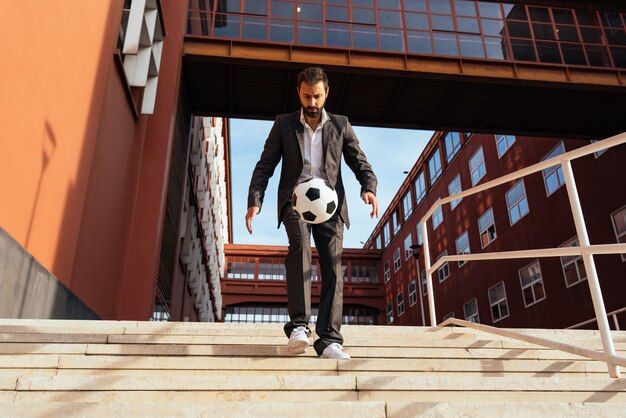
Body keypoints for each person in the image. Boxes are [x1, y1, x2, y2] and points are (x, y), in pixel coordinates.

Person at [245, 67, 378, 359]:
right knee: (300, 248)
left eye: (317, 96)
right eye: (307, 96)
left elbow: (360, 162)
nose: (312, 102)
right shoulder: (283, 124)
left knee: (332, 266)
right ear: (299, 93)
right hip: (296, 201)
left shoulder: (341, 125)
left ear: (326, 93)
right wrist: (255, 201)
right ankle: (299, 327)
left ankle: (329, 340)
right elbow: (264, 166)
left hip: (331, 205)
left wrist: (368, 187)